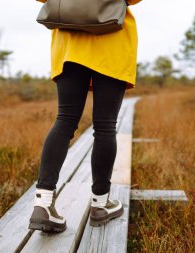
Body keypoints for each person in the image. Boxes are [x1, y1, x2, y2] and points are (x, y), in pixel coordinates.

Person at [29, 0, 142, 232]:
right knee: (106, 126)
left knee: (65, 119)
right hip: (112, 41)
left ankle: (42, 204)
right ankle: (100, 205)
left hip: (70, 44)